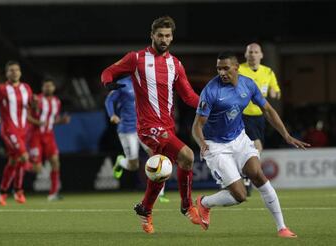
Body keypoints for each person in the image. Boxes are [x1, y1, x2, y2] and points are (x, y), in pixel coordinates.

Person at [101, 16, 203, 233]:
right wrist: (108, 82)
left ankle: (145, 210)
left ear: (172, 37)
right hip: (148, 127)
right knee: (187, 156)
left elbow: (188, 96)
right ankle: (187, 207)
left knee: (161, 171)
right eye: (160, 35)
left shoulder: (175, 64)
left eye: (168, 35)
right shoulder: (136, 58)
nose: (164, 39)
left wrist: (209, 104)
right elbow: (108, 71)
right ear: (152, 35)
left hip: (167, 127)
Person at [192, 52, 309, 238]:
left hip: (239, 139)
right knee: (240, 196)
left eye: (226, 68)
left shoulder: (248, 84)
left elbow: (268, 110)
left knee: (257, 174)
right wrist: (201, 143)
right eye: (218, 68)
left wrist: (286, 135)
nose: (221, 72)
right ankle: (204, 203)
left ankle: (282, 228)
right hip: (216, 146)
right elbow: (197, 125)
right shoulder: (211, 91)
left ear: (236, 67)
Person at [104, 75, 169, 203]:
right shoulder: (122, 84)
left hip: (145, 128)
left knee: (157, 156)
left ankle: (160, 193)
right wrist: (112, 115)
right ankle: (121, 162)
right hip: (127, 128)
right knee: (133, 165)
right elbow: (109, 101)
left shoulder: (149, 82)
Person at [0, 61, 33, 206]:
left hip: (23, 130)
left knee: (13, 161)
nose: (14, 73)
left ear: (20, 72)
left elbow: (29, 107)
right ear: (7, 73)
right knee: (24, 156)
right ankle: (18, 190)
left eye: (16, 70)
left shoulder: (26, 88)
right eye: (11, 71)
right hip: (8, 129)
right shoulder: (2, 89)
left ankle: (2, 192)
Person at [239, 43, 282, 196]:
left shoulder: (268, 72)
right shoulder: (239, 70)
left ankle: (246, 175)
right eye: (250, 52)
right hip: (241, 115)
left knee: (256, 149)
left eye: (256, 52)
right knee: (256, 146)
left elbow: (277, 92)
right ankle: (247, 178)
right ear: (245, 54)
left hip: (259, 117)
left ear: (261, 55)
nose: (253, 55)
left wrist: (274, 93)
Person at [27, 78, 70, 201]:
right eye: (46, 86)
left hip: (49, 135)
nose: (48, 88)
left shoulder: (57, 101)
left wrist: (61, 121)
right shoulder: (37, 100)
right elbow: (27, 116)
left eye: (50, 86)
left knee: (55, 162)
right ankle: (20, 166)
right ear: (42, 88)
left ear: (53, 88)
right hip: (35, 135)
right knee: (37, 168)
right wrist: (37, 122)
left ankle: (53, 193)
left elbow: (52, 120)